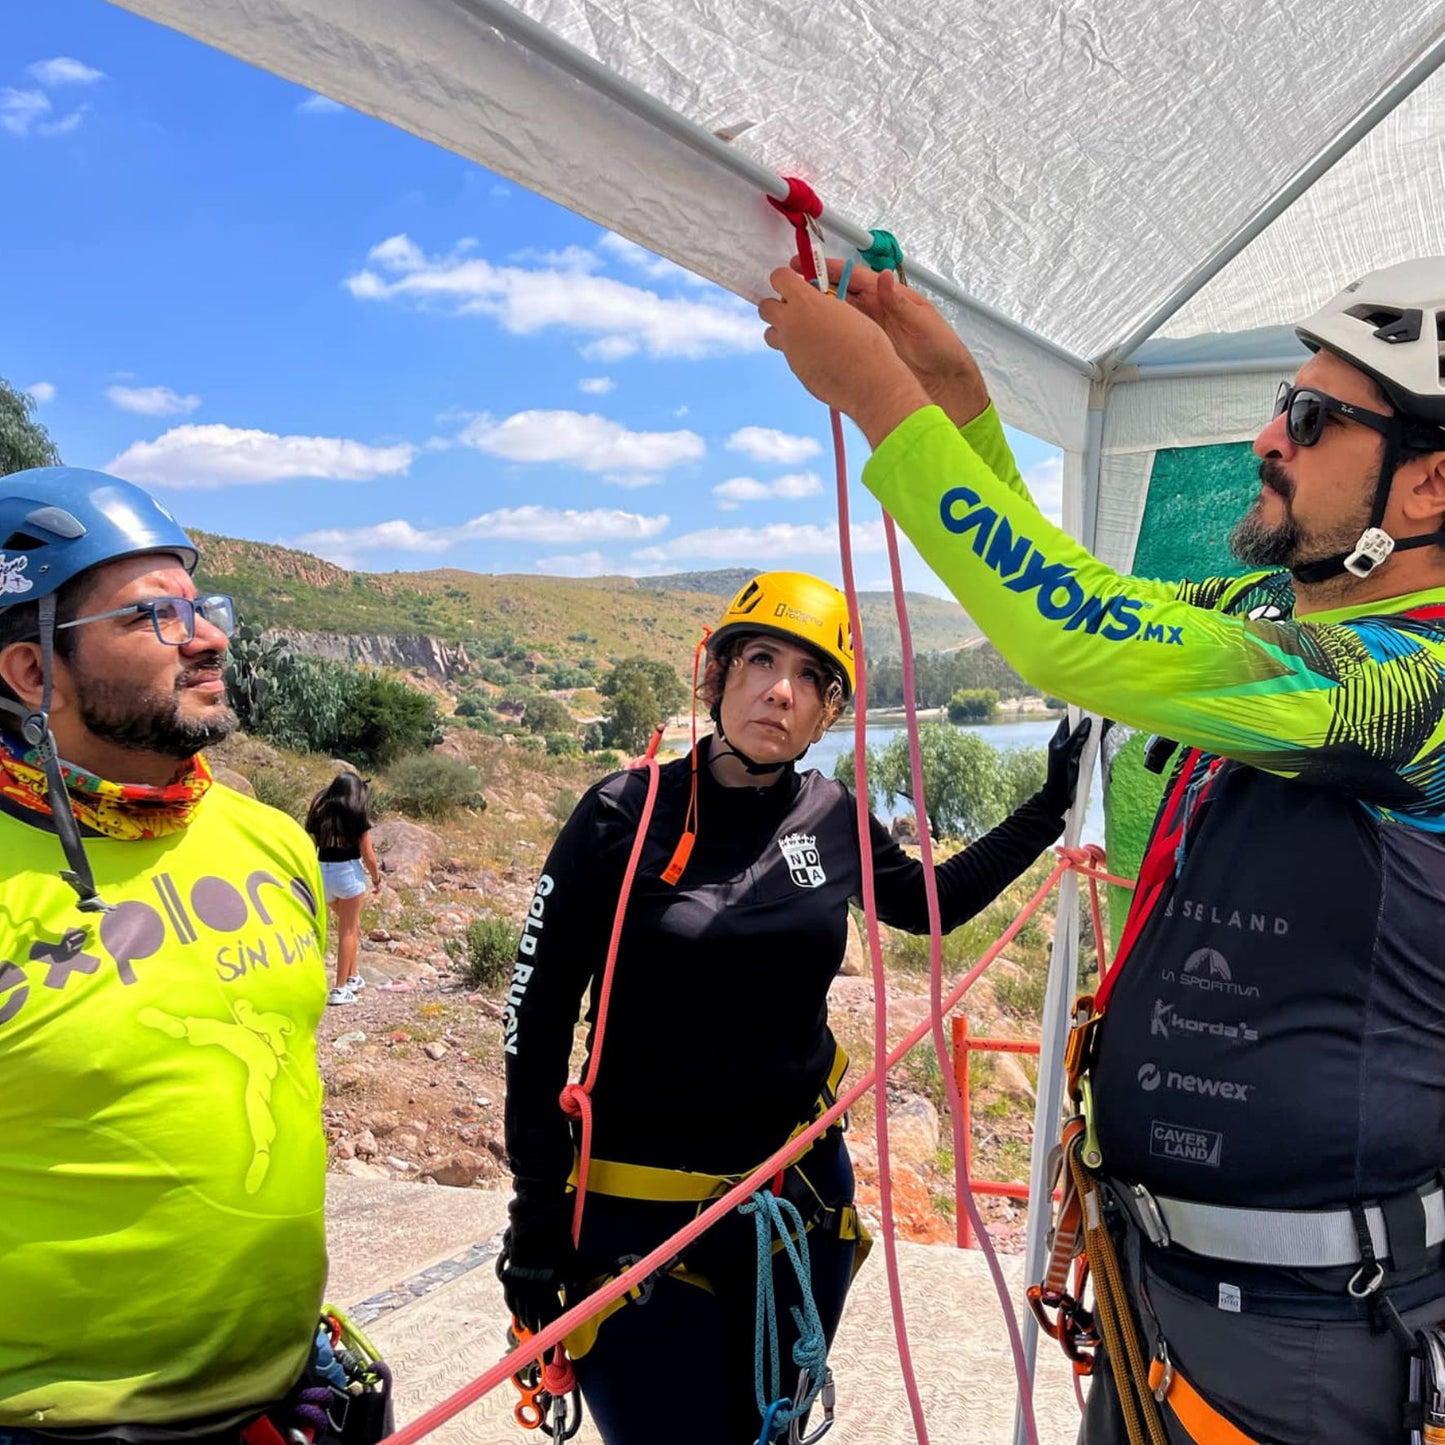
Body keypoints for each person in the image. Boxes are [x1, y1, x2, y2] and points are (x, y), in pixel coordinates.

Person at [758, 257, 1445, 1440]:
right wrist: (957, 401)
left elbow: (1068, 639)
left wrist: (882, 403)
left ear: (1427, 484)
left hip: (1310, 1331)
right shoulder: (1264, 624)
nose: (1264, 436)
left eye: (1310, 417)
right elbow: (1088, 605)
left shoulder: (1412, 687)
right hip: (1164, 1290)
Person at [498, 569, 1090, 1445]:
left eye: (810, 677)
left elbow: (932, 903)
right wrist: (534, 1216)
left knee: (768, 1429)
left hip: (801, 1196)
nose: (780, 689)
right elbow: (535, 1021)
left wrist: (1050, 802)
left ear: (825, 713)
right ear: (717, 675)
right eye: (760, 660)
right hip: (639, 1216)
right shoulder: (621, 815)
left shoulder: (829, 813)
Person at [0, 467, 338, 1441]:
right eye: (153, 615)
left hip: (289, 1394)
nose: (209, 636)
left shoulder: (272, 840)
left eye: (200, 604)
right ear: (32, 673)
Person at [306, 772, 381, 1005]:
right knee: (347, 931)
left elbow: (310, 846)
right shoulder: (357, 814)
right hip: (347, 873)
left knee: (352, 925)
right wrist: (377, 878)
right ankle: (339, 989)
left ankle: (353, 976)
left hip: (322, 872)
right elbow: (368, 854)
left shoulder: (319, 813)